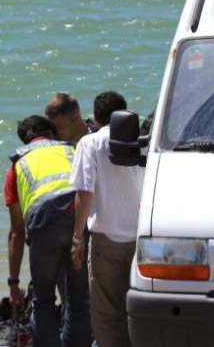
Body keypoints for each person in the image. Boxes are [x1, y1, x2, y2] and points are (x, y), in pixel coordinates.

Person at [5, 116, 91, 347]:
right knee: (79, 300)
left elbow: (16, 232)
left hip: (44, 226)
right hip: (78, 220)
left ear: (26, 141)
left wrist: (13, 281)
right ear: (52, 133)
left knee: (42, 301)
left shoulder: (18, 164)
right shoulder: (73, 150)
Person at [69, 91, 144, 347]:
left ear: (97, 118)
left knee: (107, 314)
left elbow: (85, 192)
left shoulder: (89, 144)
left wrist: (77, 238)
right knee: (141, 307)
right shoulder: (144, 141)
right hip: (143, 240)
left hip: (106, 240)